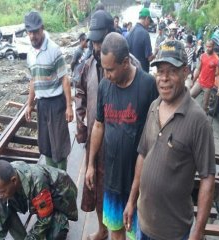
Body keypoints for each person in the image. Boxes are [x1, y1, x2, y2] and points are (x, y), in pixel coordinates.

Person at [123, 40, 216, 240]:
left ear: (185, 72)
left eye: (171, 71)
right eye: (160, 71)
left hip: (173, 232)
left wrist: (198, 233)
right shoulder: (154, 106)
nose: (163, 79)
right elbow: (142, 155)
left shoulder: (198, 121)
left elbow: (208, 178)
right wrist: (131, 201)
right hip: (143, 223)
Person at [76, 11, 142, 240]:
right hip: (104, 153)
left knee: (129, 216)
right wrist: (89, 158)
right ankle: (102, 230)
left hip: (130, 162)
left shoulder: (140, 75)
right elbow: (90, 112)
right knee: (101, 198)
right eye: (93, 41)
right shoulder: (94, 73)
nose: (95, 46)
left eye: (111, 70)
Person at [86, 32, 158, 240]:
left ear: (125, 62)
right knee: (115, 229)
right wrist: (91, 164)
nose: (106, 74)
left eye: (110, 69)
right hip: (112, 176)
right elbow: (99, 125)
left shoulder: (147, 86)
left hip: (139, 179)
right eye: (103, 69)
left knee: (135, 232)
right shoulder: (104, 86)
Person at [24, 11, 73, 171]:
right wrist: (29, 105)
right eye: (30, 32)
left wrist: (69, 106)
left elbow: (64, 79)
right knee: (45, 143)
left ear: (42, 29)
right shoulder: (30, 53)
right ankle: (51, 177)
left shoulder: (54, 50)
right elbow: (33, 80)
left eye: (36, 32)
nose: (33, 36)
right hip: (42, 104)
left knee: (59, 144)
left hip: (56, 104)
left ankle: (62, 178)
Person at [0, 160, 78, 240]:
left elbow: (45, 218)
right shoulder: (2, 187)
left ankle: (61, 221)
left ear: (14, 180)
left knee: (56, 234)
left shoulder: (37, 182)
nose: (0, 195)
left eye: (3, 192)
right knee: (5, 213)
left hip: (59, 197)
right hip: (37, 199)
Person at [190, 39, 219, 113]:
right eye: (206, 46)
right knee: (189, 97)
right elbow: (198, 70)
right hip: (200, 82)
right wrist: (193, 81)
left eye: (209, 47)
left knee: (204, 107)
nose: (207, 48)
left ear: (213, 46)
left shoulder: (216, 59)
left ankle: (203, 122)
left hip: (208, 87)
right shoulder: (202, 56)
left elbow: (218, 75)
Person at [126, 8, 155, 73]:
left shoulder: (130, 32)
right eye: (149, 22)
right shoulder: (145, 33)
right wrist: (156, 51)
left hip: (131, 73)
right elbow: (149, 58)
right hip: (142, 74)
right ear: (147, 18)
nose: (149, 25)